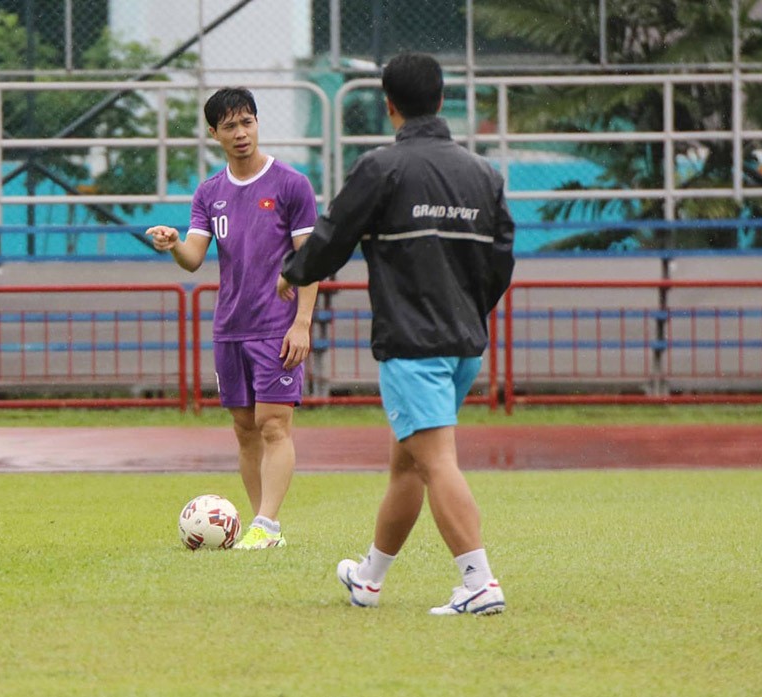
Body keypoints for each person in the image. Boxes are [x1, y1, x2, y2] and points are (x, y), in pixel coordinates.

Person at [278, 52, 515, 614]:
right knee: (407, 461)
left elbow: (334, 234)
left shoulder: (382, 167)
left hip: (413, 345)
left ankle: (479, 582)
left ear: (389, 106)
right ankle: (369, 578)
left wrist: (294, 274)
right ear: (440, 100)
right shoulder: (485, 174)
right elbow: (502, 260)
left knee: (434, 460)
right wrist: (469, 310)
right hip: (463, 342)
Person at [147, 87, 319, 550]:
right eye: (230, 126)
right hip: (230, 327)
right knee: (245, 429)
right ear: (213, 133)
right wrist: (171, 244)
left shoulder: (291, 184)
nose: (241, 133)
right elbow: (194, 258)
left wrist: (301, 322)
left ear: (258, 123)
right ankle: (265, 530)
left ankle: (266, 524)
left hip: (277, 326)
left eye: (247, 122)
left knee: (274, 424)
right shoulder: (209, 192)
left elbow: (311, 261)